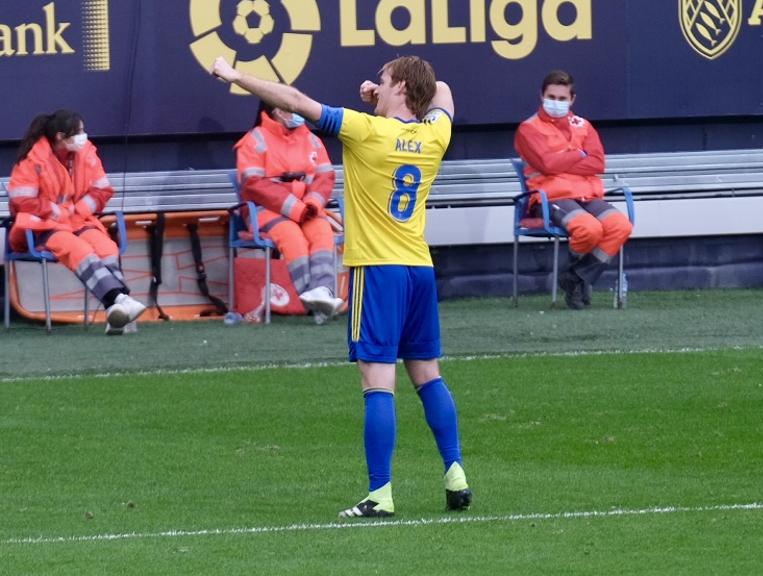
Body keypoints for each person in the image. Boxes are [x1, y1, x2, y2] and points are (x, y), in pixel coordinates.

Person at [210, 54, 471, 515]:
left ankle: (380, 494)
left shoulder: (365, 130)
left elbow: (293, 100)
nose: (375, 87)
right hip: (419, 269)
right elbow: (444, 89)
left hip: (377, 270)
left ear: (402, 90)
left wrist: (236, 77)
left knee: (377, 383)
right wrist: (392, 94)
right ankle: (455, 473)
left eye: (384, 81)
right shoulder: (435, 135)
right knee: (428, 376)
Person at [7, 110, 146, 334]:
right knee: (79, 249)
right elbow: (22, 200)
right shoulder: (34, 158)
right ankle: (120, 299)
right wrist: (58, 212)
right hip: (42, 227)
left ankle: (116, 313)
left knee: (107, 248)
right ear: (61, 137)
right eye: (79, 131)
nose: (84, 135)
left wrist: (77, 211)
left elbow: (102, 191)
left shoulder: (86, 152)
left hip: (77, 221)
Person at [514, 70, 633, 309]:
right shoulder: (528, 129)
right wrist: (579, 154)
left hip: (587, 195)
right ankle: (580, 281)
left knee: (621, 226)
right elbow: (546, 165)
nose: (556, 103)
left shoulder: (584, 126)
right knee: (588, 228)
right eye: (551, 97)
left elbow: (597, 162)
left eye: (562, 98)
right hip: (550, 197)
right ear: (542, 95)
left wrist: (561, 161)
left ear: (572, 99)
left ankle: (576, 277)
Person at [235, 103, 342, 320]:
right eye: (291, 109)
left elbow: (325, 177)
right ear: (277, 111)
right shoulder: (254, 140)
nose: (297, 113)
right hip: (267, 211)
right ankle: (313, 303)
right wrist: (296, 208)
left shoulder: (311, 139)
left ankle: (324, 292)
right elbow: (254, 185)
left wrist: (311, 204)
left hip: (307, 209)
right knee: (292, 238)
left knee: (323, 231)